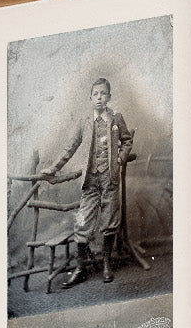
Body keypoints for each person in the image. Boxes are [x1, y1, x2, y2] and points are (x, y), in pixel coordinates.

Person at [42, 77, 135, 288]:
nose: (100, 98)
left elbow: (127, 140)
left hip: (109, 178)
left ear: (109, 97)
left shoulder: (116, 118)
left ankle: (106, 264)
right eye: (96, 94)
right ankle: (80, 268)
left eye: (103, 94)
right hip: (90, 180)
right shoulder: (84, 122)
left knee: (109, 221)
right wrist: (54, 168)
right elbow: (70, 147)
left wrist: (121, 156)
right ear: (90, 98)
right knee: (82, 222)